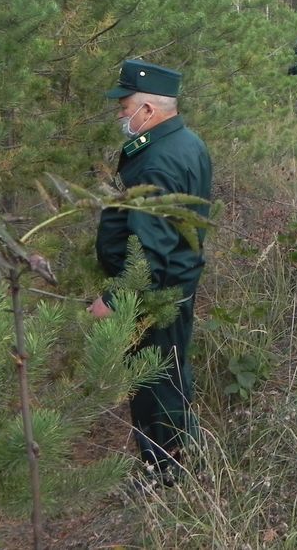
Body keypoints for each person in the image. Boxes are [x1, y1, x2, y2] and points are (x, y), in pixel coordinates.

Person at [88, 59, 212, 485]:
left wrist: (116, 300)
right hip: (176, 283)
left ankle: (165, 472)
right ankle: (179, 456)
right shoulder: (184, 142)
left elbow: (151, 255)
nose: (121, 114)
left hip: (155, 293)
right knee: (170, 373)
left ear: (149, 109)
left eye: (125, 107)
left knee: (153, 381)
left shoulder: (158, 160)